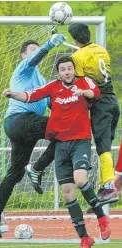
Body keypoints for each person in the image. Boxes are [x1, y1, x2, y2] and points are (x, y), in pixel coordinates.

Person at [3, 56, 110, 248]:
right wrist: (13, 94)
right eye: (63, 69)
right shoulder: (52, 87)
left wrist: (83, 91)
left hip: (80, 141)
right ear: (58, 72)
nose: (67, 72)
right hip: (60, 145)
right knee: (68, 194)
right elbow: (31, 95)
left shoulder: (83, 81)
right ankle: (84, 238)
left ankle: (102, 219)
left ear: (73, 70)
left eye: (69, 68)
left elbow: (96, 93)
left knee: (80, 180)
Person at [0, 33, 65, 237]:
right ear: (23, 56)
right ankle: (37, 169)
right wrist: (48, 44)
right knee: (65, 131)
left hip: (25, 127)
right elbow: (36, 57)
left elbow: (52, 104)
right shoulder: (23, 69)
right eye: (32, 49)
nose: (36, 51)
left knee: (16, 173)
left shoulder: (42, 79)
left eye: (38, 48)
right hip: (19, 120)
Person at [68, 23, 120, 206]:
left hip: (101, 105)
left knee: (103, 147)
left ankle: (108, 187)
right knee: (105, 145)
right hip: (114, 102)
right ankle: (105, 186)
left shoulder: (76, 56)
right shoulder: (101, 49)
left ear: (73, 38)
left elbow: (82, 83)